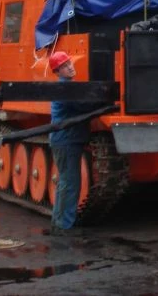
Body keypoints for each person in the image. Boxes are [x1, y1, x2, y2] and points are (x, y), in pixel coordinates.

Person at [48, 50, 89, 235]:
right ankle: (64, 225)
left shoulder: (67, 87)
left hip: (66, 139)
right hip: (66, 140)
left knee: (66, 182)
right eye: (64, 66)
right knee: (69, 183)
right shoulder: (65, 89)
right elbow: (82, 105)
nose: (70, 67)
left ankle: (59, 221)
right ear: (57, 72)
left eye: (69, 63)